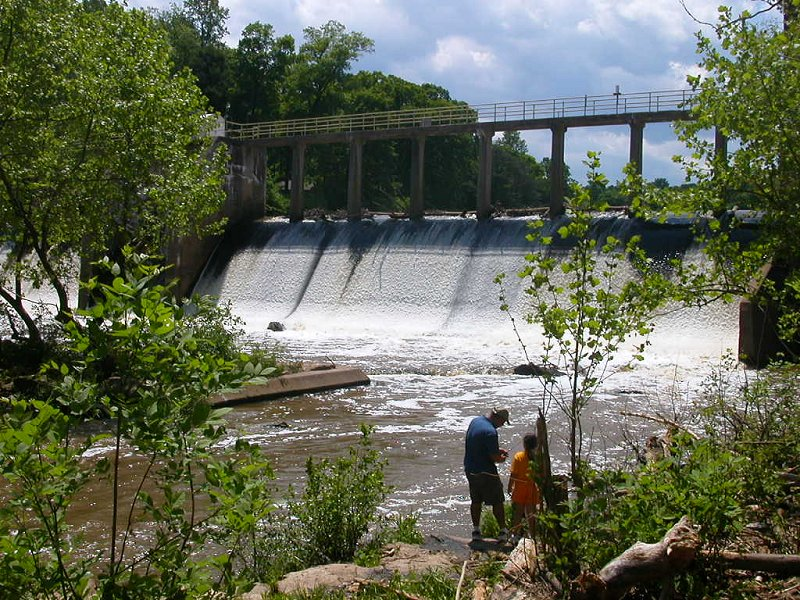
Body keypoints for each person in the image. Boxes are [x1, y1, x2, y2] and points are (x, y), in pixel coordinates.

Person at [464, 407, 510, 542]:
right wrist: (501, 458)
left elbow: (478, 443)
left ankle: (476, 530)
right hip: (486, 472)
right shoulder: (491, 432)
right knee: (498, 501)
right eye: (503, 422)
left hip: (470, 469)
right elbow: (495, 457)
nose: (502, 425)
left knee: (476, 500)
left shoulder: (476, 421)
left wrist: (496, 450)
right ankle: (503, 531)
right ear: (498, 418)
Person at [507, 432, 540, 542]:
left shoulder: (518, 456)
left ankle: (515, 535)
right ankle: (533, 536)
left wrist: (509, 486)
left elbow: (514, 474)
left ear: (524, 444)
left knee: (518, 512)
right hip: (532, 488)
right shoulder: (538, 458)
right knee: (531, 513)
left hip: (520, 487)